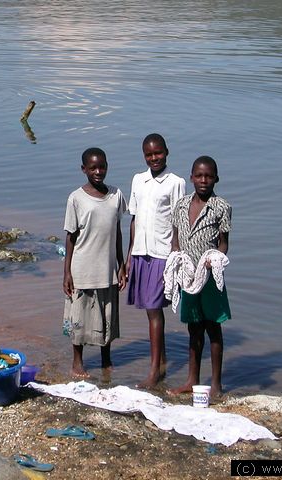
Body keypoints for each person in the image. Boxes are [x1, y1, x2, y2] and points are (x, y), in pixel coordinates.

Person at [167, 156, 231, 399]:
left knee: (213, 328)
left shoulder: (222, 207)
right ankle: (191, 380)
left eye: (209, 176)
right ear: (191, 177)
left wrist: (213, 258)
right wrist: (175, 254)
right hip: (188, 277)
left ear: (216, 178)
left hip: (210, 278)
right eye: (199, 176)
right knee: (194, 329)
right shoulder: (181, 205)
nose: (204, 180)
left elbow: (224, 244)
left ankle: (216, 384)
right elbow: (175, 238)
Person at [126, 133, 185, 388]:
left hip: (162, 254)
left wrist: (176, 255)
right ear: (144, 156)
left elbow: (179, 221)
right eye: (149, 155)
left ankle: (154, 372)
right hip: (141, 252)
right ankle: (161, 362)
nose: (154, 158)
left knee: (153, 309)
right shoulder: (138, 180)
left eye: (158, 153)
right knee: (152, 309)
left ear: (166, 152)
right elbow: (134, 219)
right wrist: (129, 256)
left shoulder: (176, 182)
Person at [63, 147, 127, 378]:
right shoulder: (76, 198)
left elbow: (117, 231)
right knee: (79, 317)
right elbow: (70, 237)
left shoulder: (116, 195)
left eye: (102, 166)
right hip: (82, 268)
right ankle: (77, 361)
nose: (98, 171)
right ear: (84, 170)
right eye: (93, 168)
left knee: (107, 316)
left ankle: (106, 359)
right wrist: (67, 272)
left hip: (107, 267)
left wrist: (121, 264)